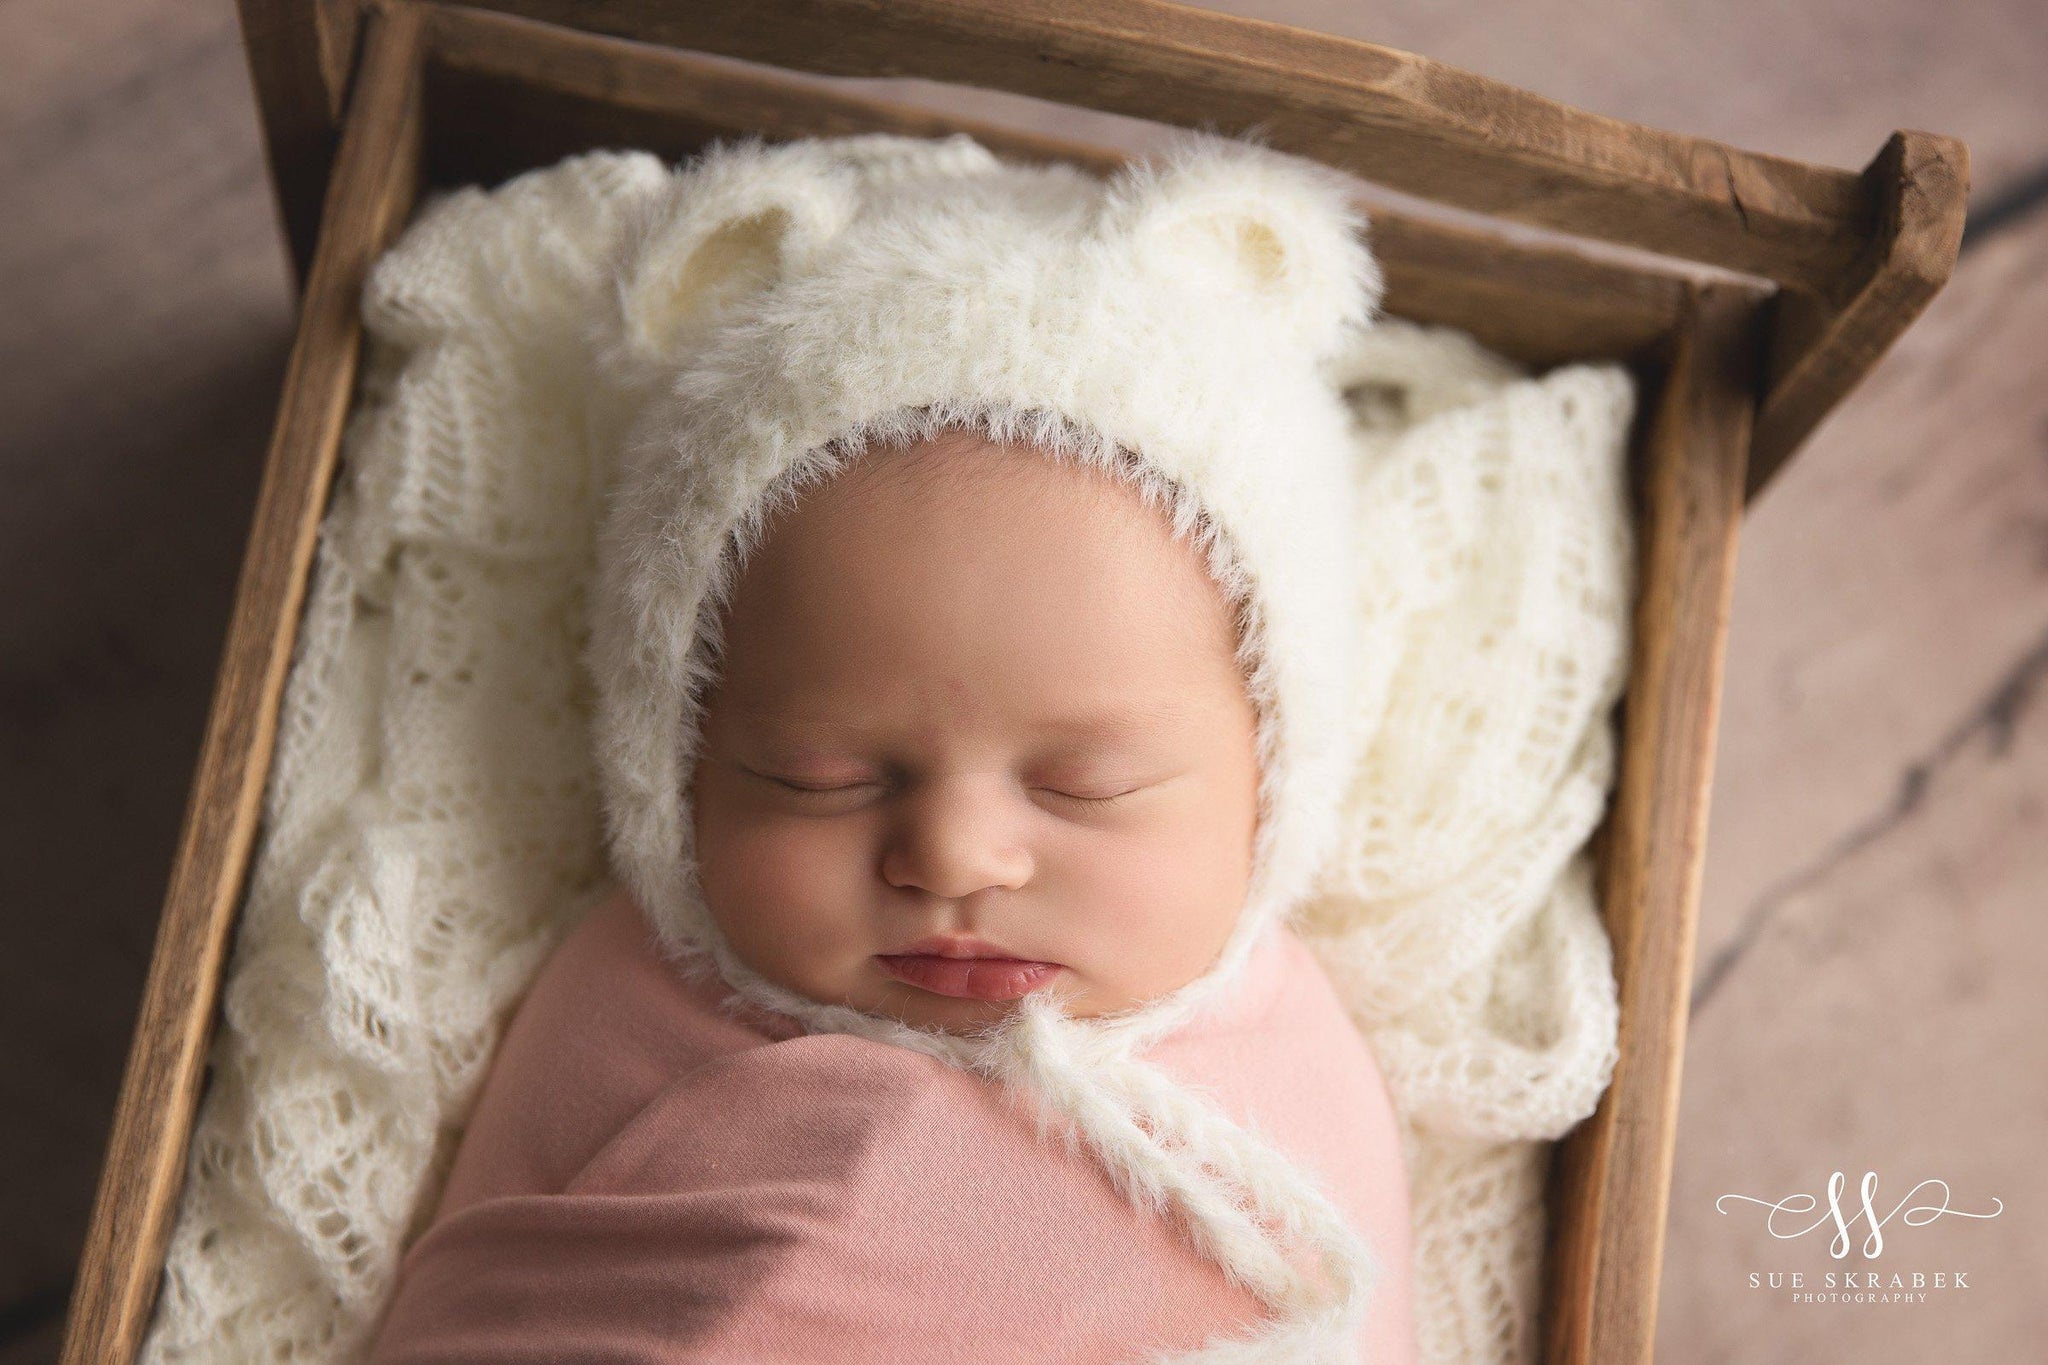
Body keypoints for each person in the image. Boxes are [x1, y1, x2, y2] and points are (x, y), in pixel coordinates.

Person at [367, 128, 1417, 1364]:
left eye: (1089, 784)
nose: (955, 856)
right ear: (673, 770)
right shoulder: (632, 1010)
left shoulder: (1288, 1082)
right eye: (823, 779)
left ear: (1272, 786)